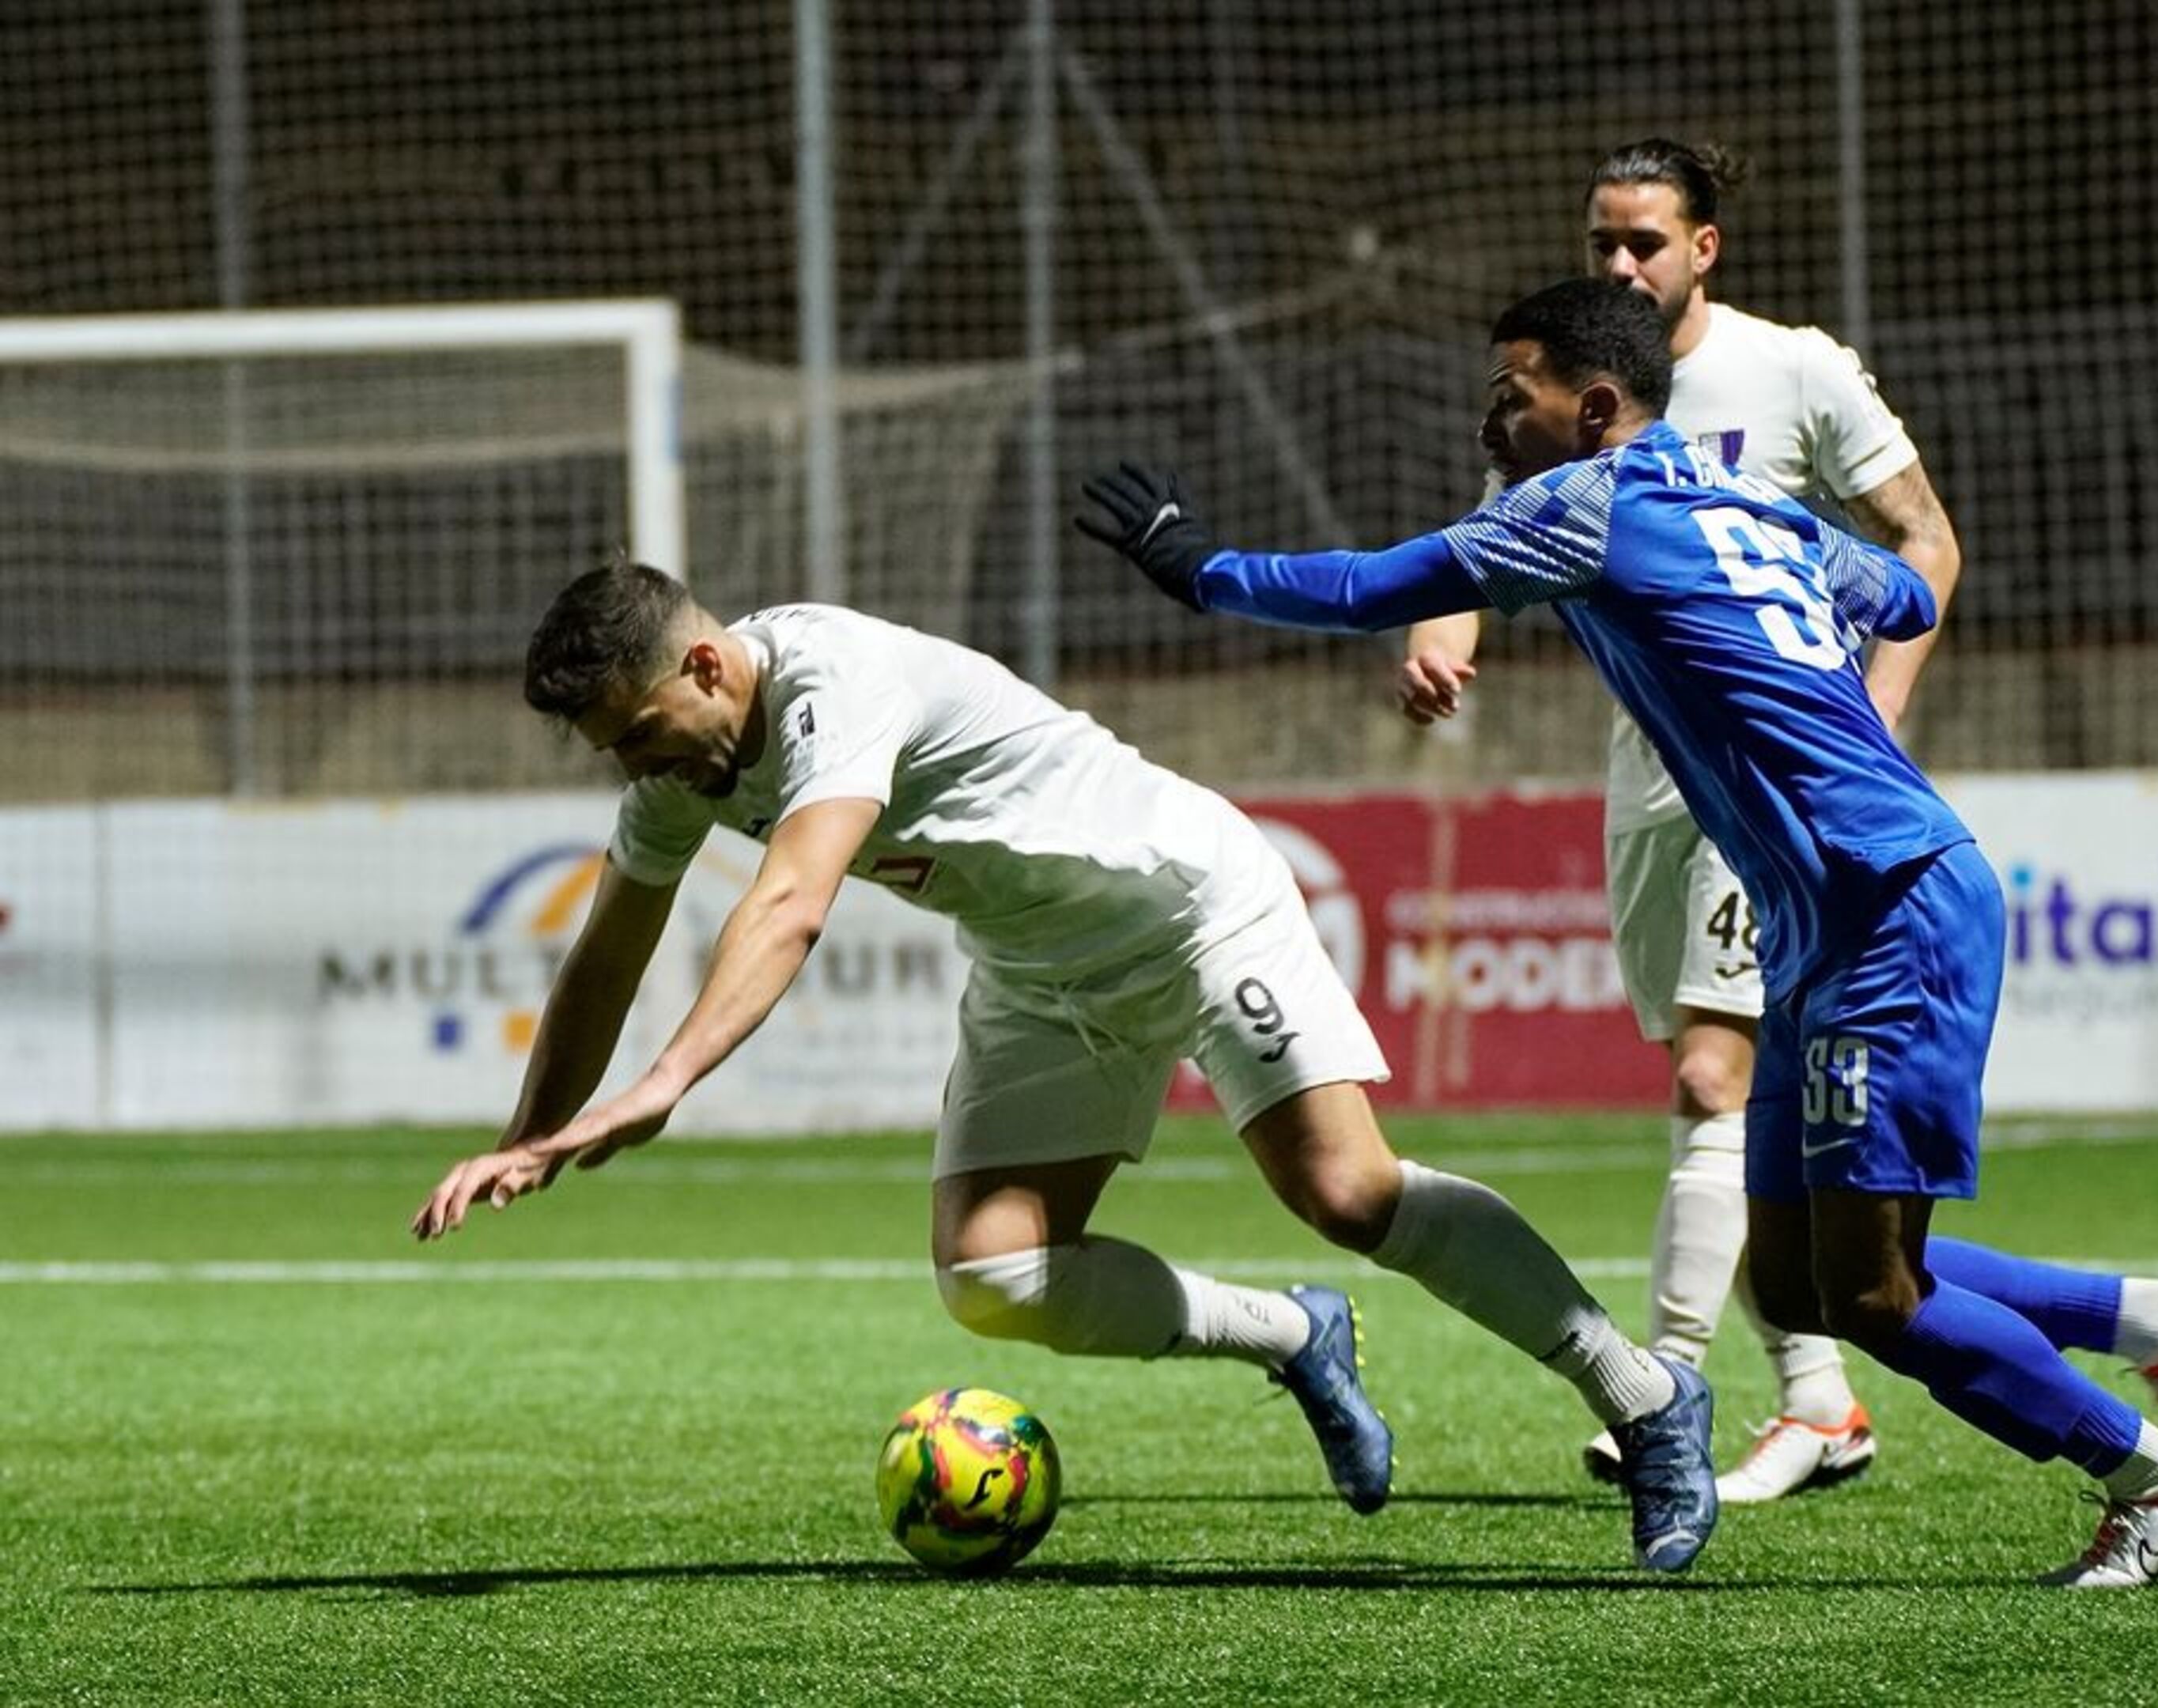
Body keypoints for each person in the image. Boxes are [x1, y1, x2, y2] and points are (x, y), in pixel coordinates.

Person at [1076, 277, 2158, 1588]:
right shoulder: (1754, 501)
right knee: (1799, 1279)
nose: (1487, 423)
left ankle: (2156, 1476)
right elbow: (1904, 599)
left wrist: (1198, 567)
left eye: (1504, 395)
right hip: (1831, 914)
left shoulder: (1584, 503)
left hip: (1888, 906)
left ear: (1589, 408)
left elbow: (1367, 586)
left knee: (1872, 1297)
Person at [408, 561, 1718, 1572]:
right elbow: (601, 963)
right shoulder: (680, 765)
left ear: (703, 662)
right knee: (993, 1275)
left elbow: (790, 904)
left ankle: (1645, 1397)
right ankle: (1292, 1334)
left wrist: (663, 1087)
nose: (639, 767)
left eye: (640, 732)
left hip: (1191, 909)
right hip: (1044, 969)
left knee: (1347, 1194)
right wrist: (532, 1138)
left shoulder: (836, 679)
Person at [1399, 138, 1959, 1503]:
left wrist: (1876, 715)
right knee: (1708, 1095)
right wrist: (1442, 621)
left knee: (1720, 1075)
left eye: (1644, 242)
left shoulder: (1795, 370)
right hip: (1650, 782)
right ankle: (1849, 1394)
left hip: (1773, 793)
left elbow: (1924, 544)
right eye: (1603, 241)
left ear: (1705, 246)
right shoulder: (1570, 386)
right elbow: (1495, 536)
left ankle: (1668, 1386)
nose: (1619, 265)